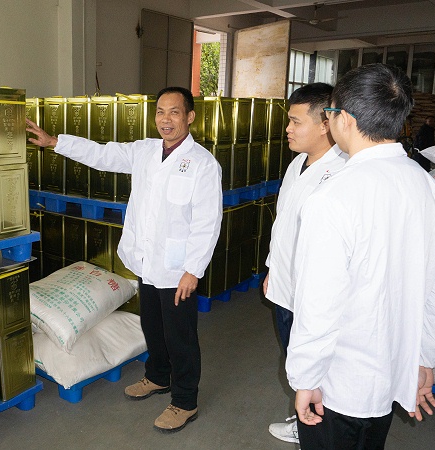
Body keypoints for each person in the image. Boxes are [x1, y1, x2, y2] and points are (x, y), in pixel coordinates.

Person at [26, 86, 223, 433]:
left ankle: (184, 401)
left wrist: (194, 270)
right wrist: (55, 141)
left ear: (190, 117)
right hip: (147, 262)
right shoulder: (145, 151)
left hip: (178, 269)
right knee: (152, 326)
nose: (166, 119)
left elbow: (208, 222)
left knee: (181, 336)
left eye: (174, 112)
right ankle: (158, 377)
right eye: (161, 112)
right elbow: (101, 154)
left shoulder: (203, 164)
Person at [287, 64, 435, 449]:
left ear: (344, 120)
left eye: (330, 114)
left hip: (341, 382)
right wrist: (424, 356)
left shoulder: (334, 198)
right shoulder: (432, 191)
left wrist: (306, 378)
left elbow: (319, 304)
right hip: (393, 372)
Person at [263, 82, 347, 446]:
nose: (288, 129)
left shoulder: (343, 172)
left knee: (321, 371)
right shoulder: (297, 163)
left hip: (315, 299)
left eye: (296, 121)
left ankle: (317, 429)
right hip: (284, 289)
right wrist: (271, 269)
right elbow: (283, 223)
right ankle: (305, 422)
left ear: (325, 123)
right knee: (295, 362)